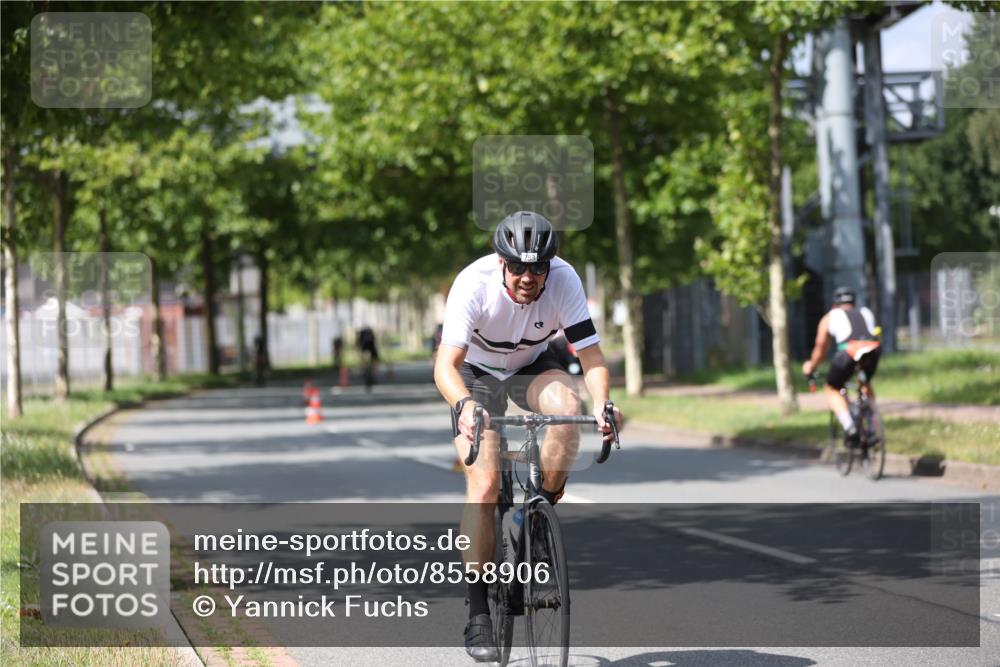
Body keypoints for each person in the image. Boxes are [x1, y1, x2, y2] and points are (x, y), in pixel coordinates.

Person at [433, 211, 623, 662]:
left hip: (533, 365)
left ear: (549, 266)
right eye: (517, 267)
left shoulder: (564, 280)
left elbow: (591, 354)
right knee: (483, 485)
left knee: (568, 410)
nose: (526, 276)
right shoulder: (472, 284)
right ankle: (478, 610)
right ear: (501, 262)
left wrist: (602, 403)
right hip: (476, 373)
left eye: (537, 268)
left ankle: (539, 514)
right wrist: (465, 405)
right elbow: (446, 366)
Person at [802, 286, 882, 446]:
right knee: (865, 383)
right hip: (873, 350)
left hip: (849, 352)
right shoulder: (866, 312)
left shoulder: (830, 316)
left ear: (834, 304)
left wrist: (811, 366)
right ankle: (872, 425)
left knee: (832, 388)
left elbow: (820, 348)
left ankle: (850, 427)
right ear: (853, 302)